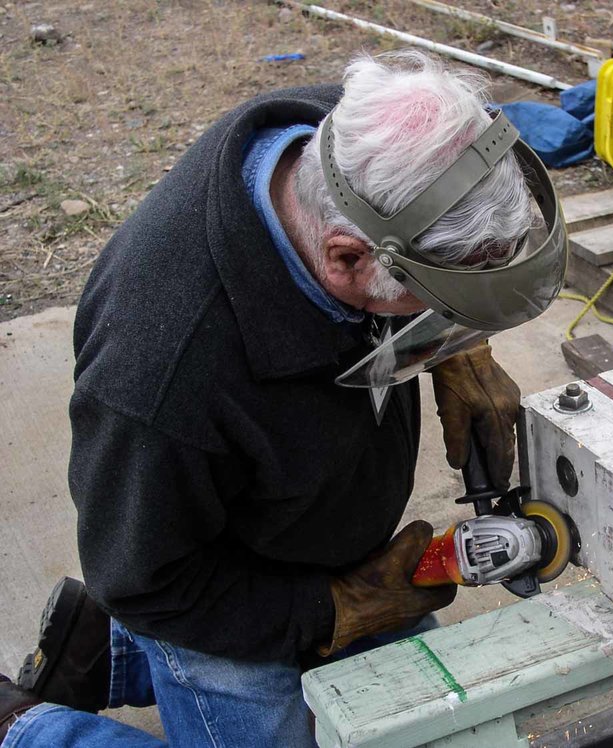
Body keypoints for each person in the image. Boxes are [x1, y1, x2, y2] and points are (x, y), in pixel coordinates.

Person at [0, 49, 567, 747]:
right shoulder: (160, 377)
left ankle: (101, 653)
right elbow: (147, 582)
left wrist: (457, 347)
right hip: (210, 588)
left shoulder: (365, 140)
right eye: (442, 300)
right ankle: (28, 727)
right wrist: (335, 611)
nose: (447, 320)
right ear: (348, 258)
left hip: (312, 519)